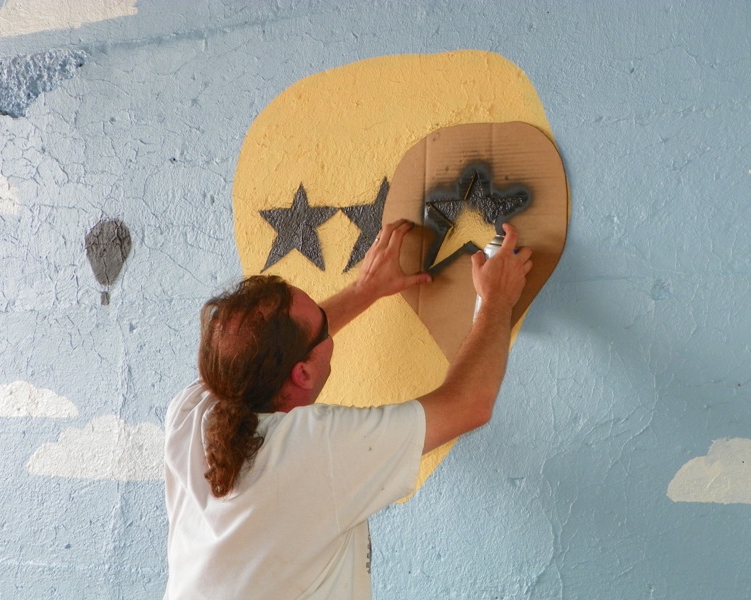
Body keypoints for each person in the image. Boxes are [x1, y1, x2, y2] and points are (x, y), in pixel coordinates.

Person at [163, 219, 533, 600]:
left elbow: (268, 350)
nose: (328, 320)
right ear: (302, 374)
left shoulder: (191, 410)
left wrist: (364, 290)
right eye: (323, 326)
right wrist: (496, 300)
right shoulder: (314, 450)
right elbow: (469, 404)